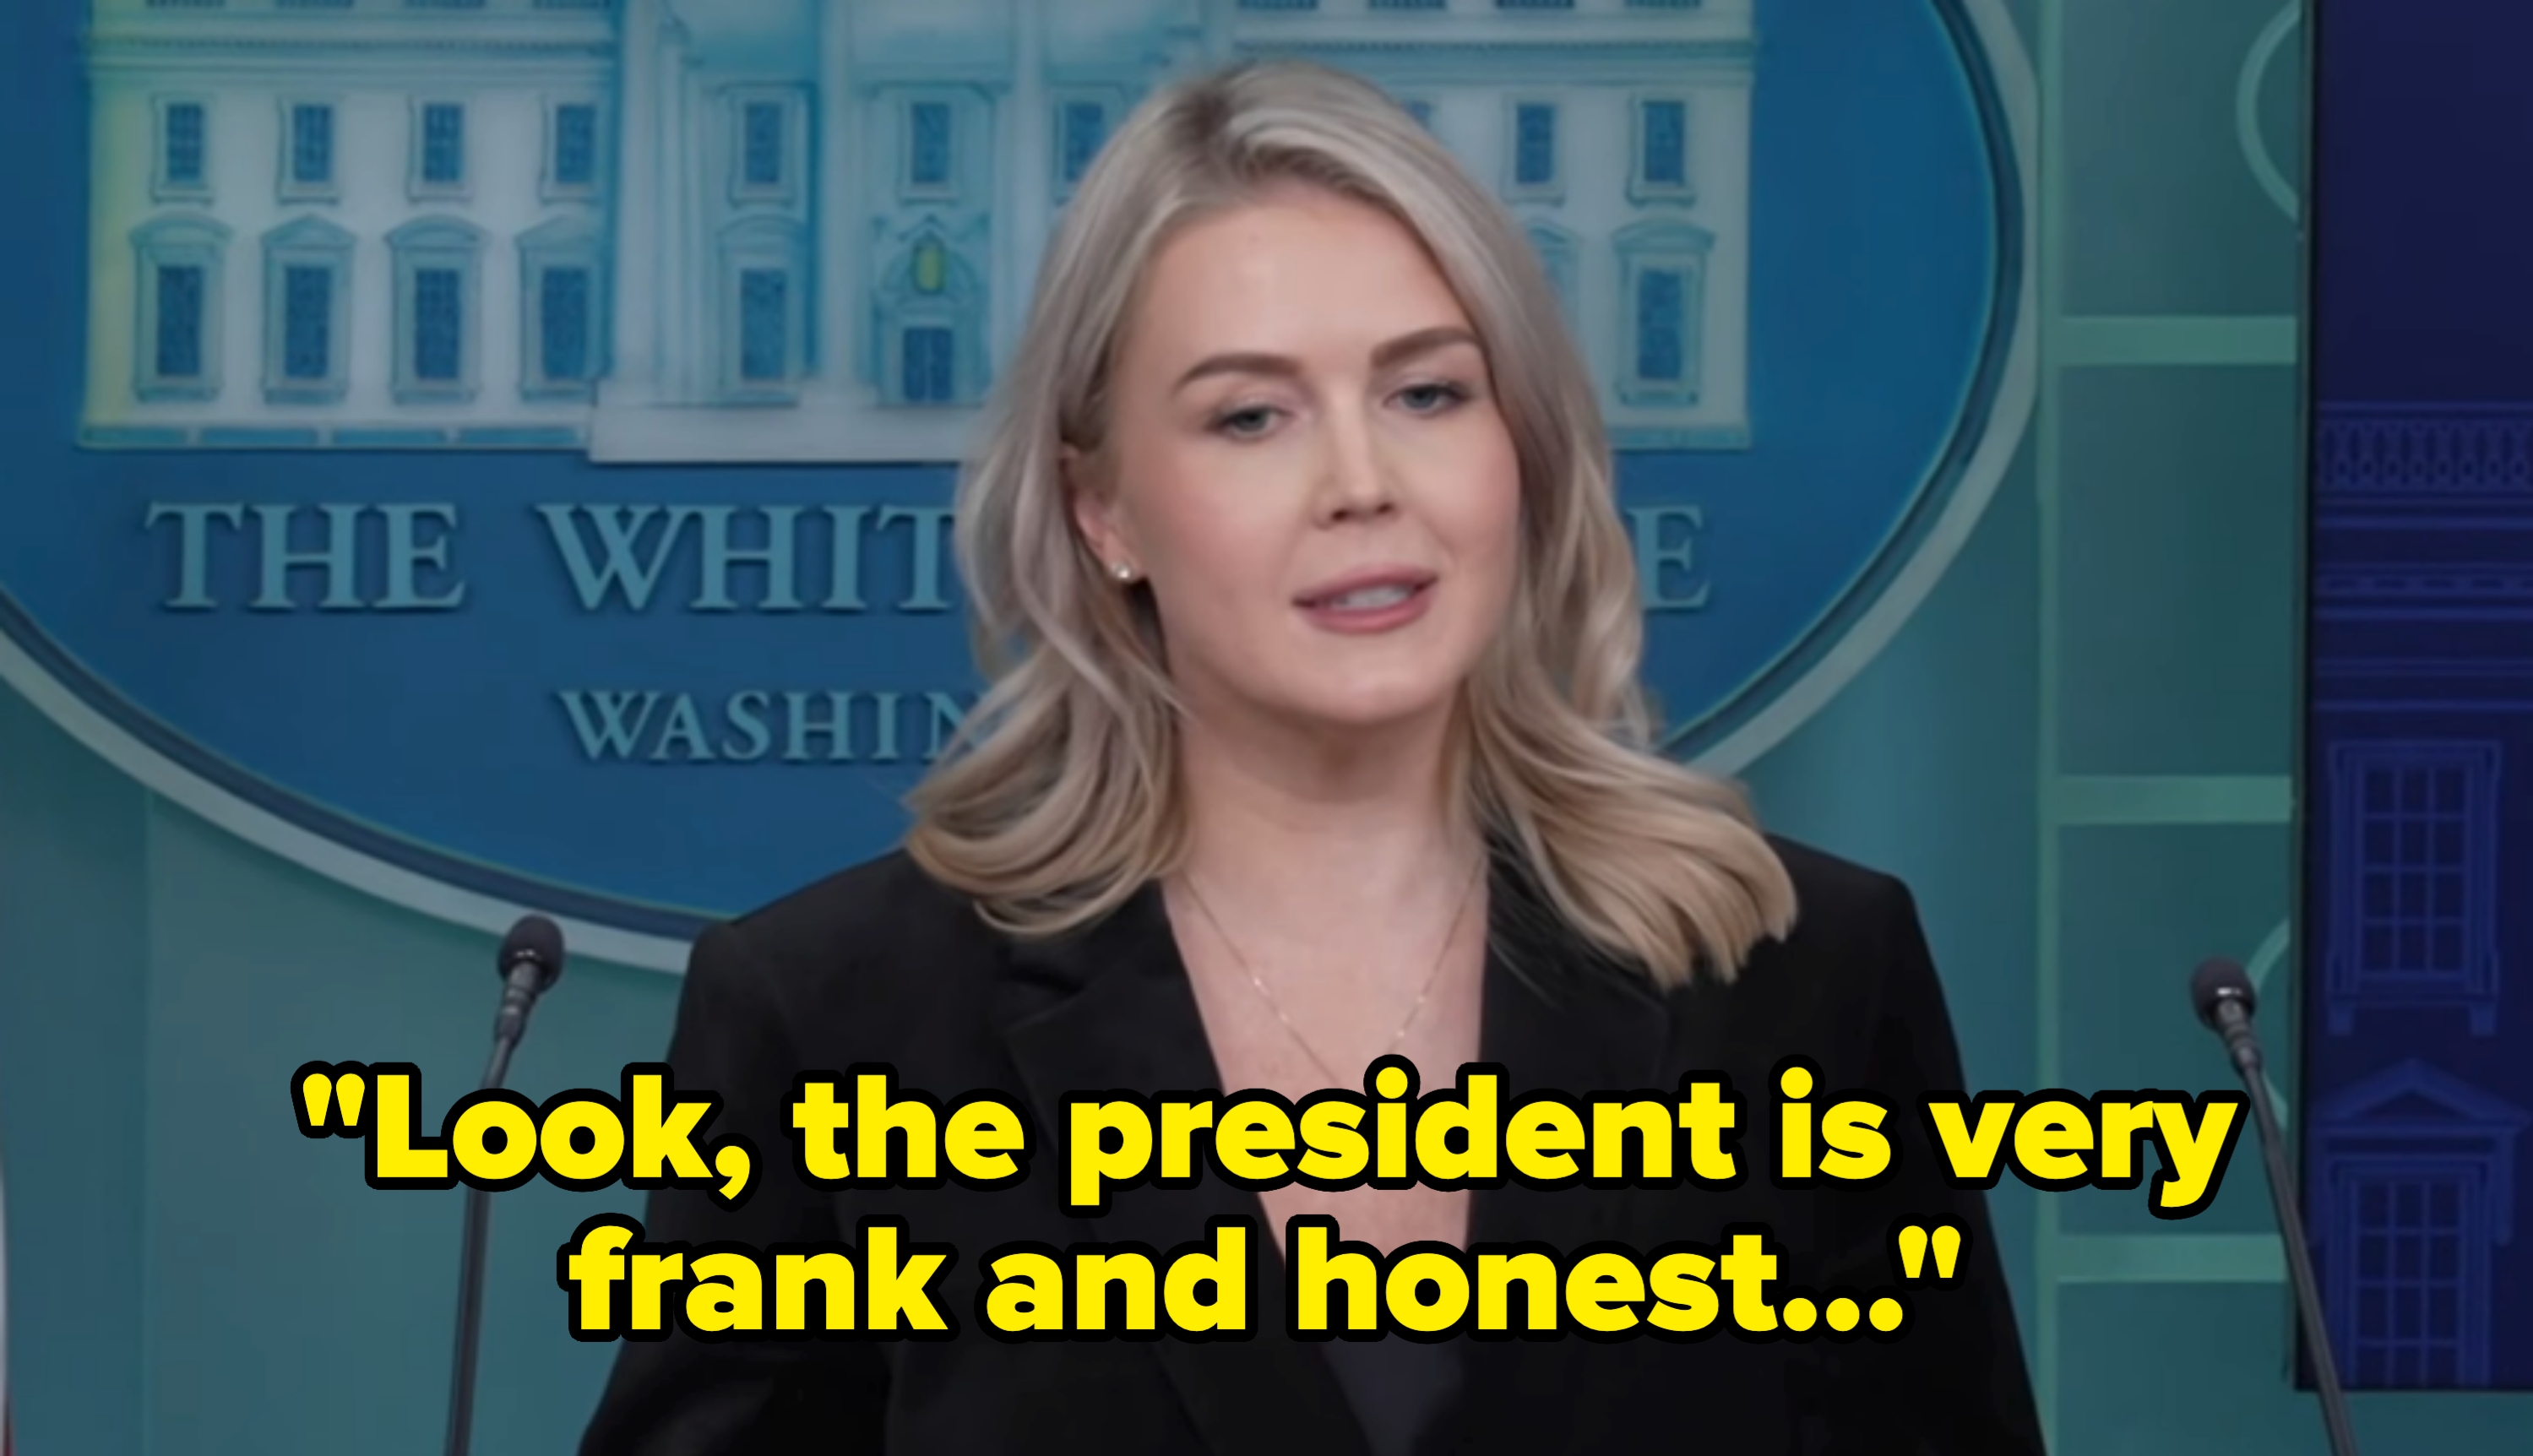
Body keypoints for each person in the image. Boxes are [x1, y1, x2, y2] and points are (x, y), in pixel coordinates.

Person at [580, 59, 2043, 1456]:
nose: (1360, 484)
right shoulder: (833, 1016)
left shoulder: (1804, 975)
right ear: (1104, 512)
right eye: (1251, 417)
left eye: (1427, 394)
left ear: (1522, 449)